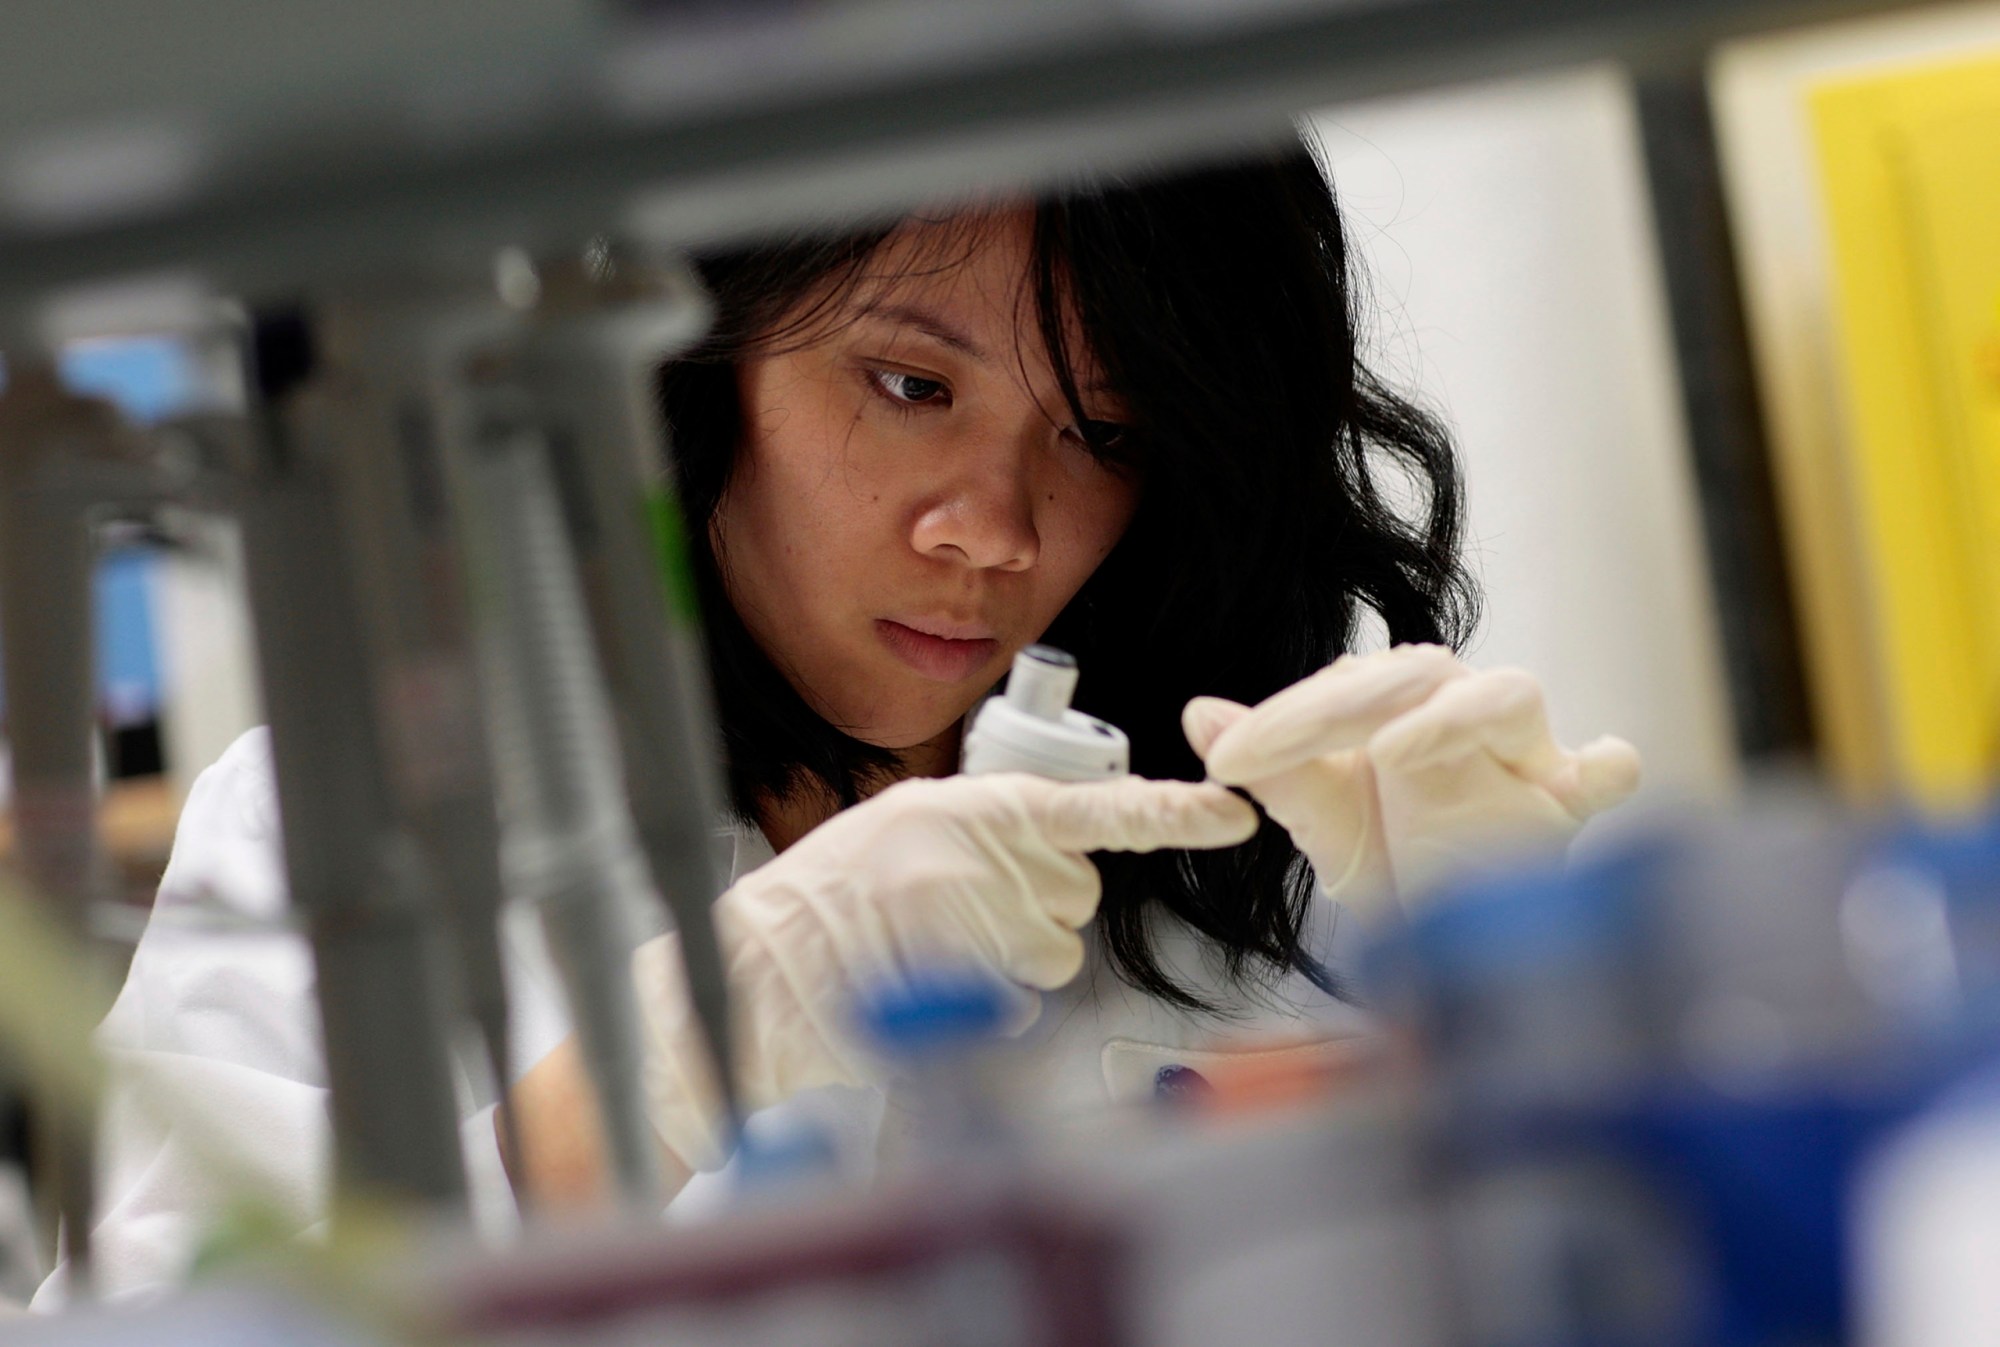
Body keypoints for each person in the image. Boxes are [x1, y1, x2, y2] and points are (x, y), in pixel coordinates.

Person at [45, 129, 1639, 1301]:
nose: (995, 530)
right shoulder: (371, 831)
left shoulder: (1253, 865)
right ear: (694, 362)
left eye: (1101, 434)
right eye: (911, 387)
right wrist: (669, 1060)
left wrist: (1526, 1028)